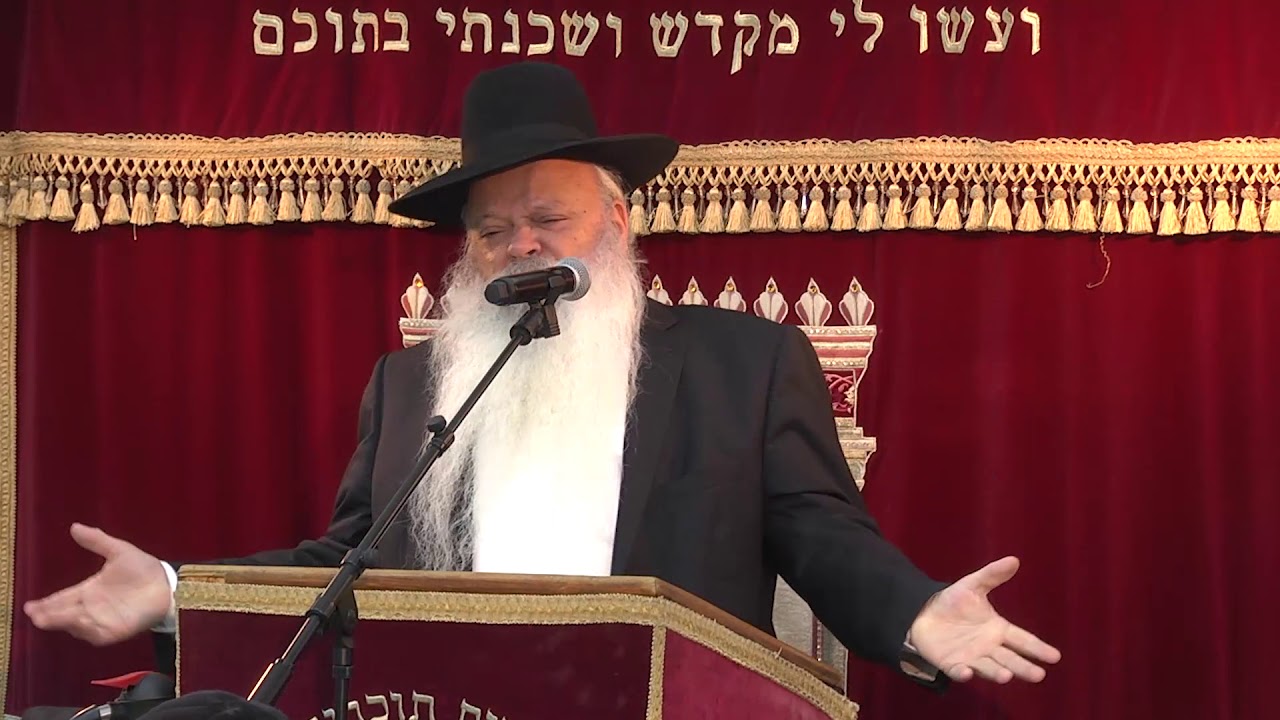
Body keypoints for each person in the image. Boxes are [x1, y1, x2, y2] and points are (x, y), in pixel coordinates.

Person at [24, 61, 1059, 690]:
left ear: (618, 219)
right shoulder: (411, 387)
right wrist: (175, 590)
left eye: (548, 218)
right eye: (492, 230)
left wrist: (915, 613)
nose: (520, 244)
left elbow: (823, 538)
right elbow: (346, 565)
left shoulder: (741, 367)